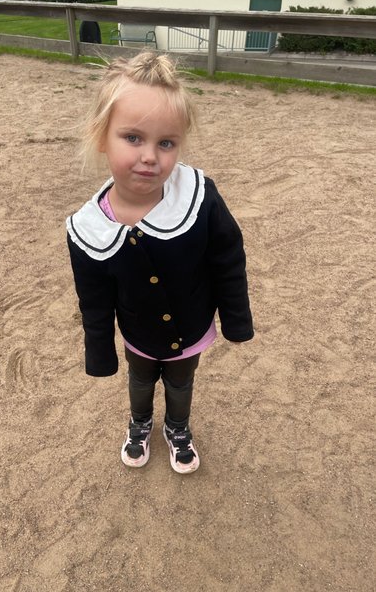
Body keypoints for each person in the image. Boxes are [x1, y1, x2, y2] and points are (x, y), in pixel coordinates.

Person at [66, 52, 253, 474]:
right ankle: (140, 422)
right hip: (139, 334)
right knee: (140, 378)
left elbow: (228, 257)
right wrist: (100, 353)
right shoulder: (87, 229)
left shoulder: (199, 196)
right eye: (133, 137)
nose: (150, 156)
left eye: (166, 143)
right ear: (102, 136)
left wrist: (236, 320)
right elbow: (94, 301)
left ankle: (177, 426)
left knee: (182, 380)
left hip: (191, 328)